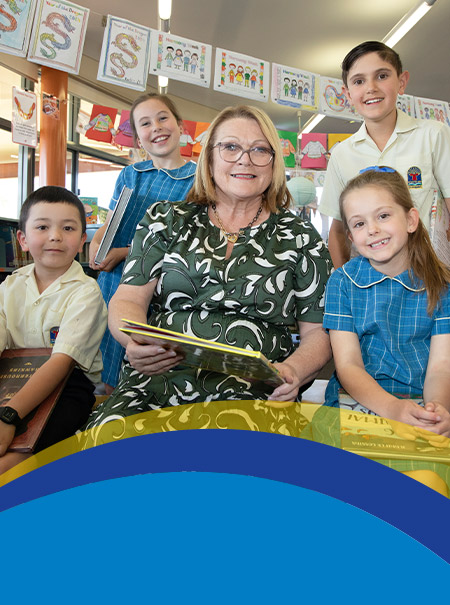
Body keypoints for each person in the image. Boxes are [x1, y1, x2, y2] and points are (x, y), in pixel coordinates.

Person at [84, 105, 332, 434]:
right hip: (156, 382)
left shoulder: (301, 236)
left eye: (259, 149)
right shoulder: (165, 219)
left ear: (273, 162)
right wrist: (134, 341)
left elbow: (319, 332)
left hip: (257, 394)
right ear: (209, 157)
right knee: (107, 442)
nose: (245, 159)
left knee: (242, 471)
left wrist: (295, 371)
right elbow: (127, 299)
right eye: (230, 147)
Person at [322, 168, 450, 493]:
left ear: (410, 220)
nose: (373, 230)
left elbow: (440, 367)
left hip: (423, 399)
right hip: (357, 401)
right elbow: (348, 365)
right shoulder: (342, 282)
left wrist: (435, 412)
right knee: (351, 486)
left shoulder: (442, 285)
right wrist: (393, 409)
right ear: (350, 237)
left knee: (428, 486)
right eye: (360, 223)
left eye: (382, 215)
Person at [89, 93, 196, 393]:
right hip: (112, 281)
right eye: (145, 124)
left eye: (163, 118)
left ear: (180, 125)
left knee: (146, 365)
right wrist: (97, 248)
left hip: (160, 286)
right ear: (138, 139)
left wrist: (124, 252)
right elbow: (109, 226)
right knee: (104, 369)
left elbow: (185, 243)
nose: (157, 127)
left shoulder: (199, 179)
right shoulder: (130, 174)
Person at [0, 186, 107, 475]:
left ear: (82, 239)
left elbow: (61, 362)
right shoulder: (9, 286)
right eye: (42, 227)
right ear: (22, 239)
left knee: (36, 439)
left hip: (68, 385)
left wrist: (9, 416)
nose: (55, 236)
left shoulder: (86, 292)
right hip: (10, 381)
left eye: (68, 227)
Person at [319, 41, 450, 268]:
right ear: (348, 94)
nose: (371, 88)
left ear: (401, 82)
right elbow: (338, 231)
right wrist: (344, 283)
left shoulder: (433, 135)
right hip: (369, 283)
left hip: (429, 275)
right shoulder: (341, 154)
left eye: (381, 76)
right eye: (359, 81)